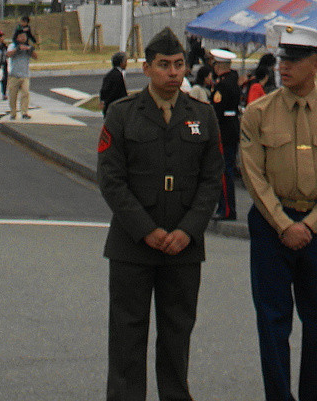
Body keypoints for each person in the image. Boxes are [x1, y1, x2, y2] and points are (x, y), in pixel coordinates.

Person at [98, 27, 221, 401]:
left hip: (183, 247)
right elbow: (111, 180)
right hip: (132, 245)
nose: (173, 72)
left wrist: (189, 230)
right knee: (127, 335)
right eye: (164, 65)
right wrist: (145, 229)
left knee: (177, 335)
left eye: (179, 65)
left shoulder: (202, 115)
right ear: (147, 68)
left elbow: (211, 180)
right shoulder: (122, 114)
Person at [239, 23, 317, 401]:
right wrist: (283, 224)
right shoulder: (258, 113)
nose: (284, 66)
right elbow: (253, 175)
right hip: (271, 227)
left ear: (316, 65)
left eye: (294, 60)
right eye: (282, 59)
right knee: (272, 321)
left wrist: (311, 224)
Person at [207, 49, 244, 220]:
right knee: (225, 169)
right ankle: (225, 207)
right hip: (231, 127)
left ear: (219, 65)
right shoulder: (232, 80)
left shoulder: (223, 85)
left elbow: (217, 109)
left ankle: (227, 209)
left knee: (224, 171)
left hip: (224, 129)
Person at [6, 30, 37, 120]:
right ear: (17, 37)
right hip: (14, 75)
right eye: (21, 36)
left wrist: (30, 50)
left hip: (25, 75)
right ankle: (13, 113)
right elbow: (8, 54)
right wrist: (17, 49)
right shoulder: (12, 46)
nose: (23, 38)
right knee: (13, 95)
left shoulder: (28, 46)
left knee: (25, 93)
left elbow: (36, 57)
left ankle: (24, 112)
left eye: (25, 36)